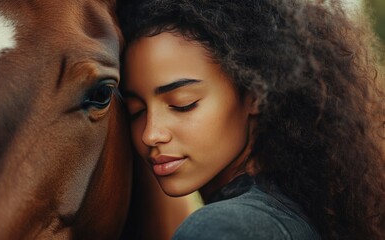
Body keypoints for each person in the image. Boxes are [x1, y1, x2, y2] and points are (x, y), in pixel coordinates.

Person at [117, 0, 385, 239]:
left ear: (254, 94)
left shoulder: (221, 227)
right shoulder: (300, 213)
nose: (150, 135)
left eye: (182, 104)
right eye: (136, 112)